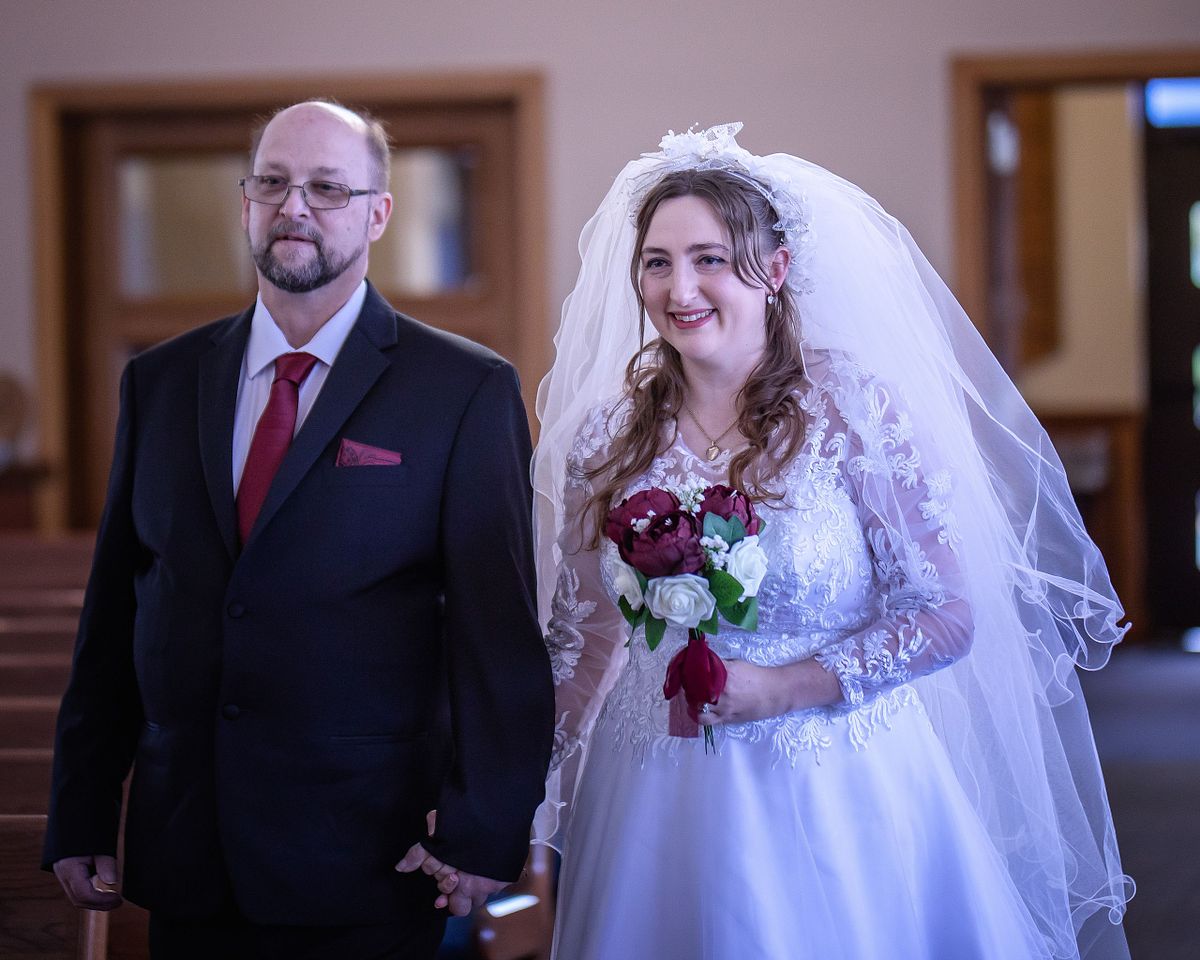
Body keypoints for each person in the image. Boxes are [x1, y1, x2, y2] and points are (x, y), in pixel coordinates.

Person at [532, 124, 1133, 959]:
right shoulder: (608, 434)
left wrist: (787, 687)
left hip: (831, 786)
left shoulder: (849, 407)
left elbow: (947, 613)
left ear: (773, 272)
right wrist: (526, 801)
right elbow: (585, 636)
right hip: (651, 795)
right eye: (659, 262)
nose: (680, 287)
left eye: (710, 258)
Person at [43, 99, 554, 960]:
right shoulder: (161, 384)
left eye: (326, 187)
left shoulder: (462, 391)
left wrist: (483, 829)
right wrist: (83, 807)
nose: (295, 207)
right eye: (273, 183)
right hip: (189, 849)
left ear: (378, 213)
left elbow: (497, 634)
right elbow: (117, 618)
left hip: (369, 853)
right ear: (246, 201)